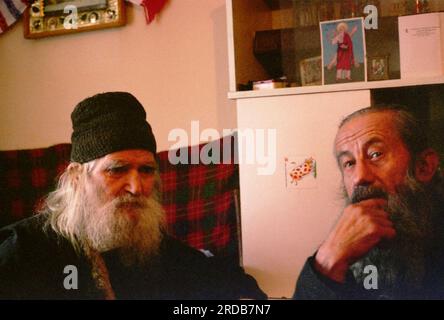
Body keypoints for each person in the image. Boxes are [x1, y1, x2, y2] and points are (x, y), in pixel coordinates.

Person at [0, 92, 266, 299]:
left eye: (147, 170)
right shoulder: (23, 251)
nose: (137, 187)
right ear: (76, 178)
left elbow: (239, 291)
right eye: (118, 170)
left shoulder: (152, 249)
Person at [294, 105, 443, 299]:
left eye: (376, 154)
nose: (359, 177)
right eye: (349, 163)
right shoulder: (348, 249)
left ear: (424, 166)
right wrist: (327, 264)